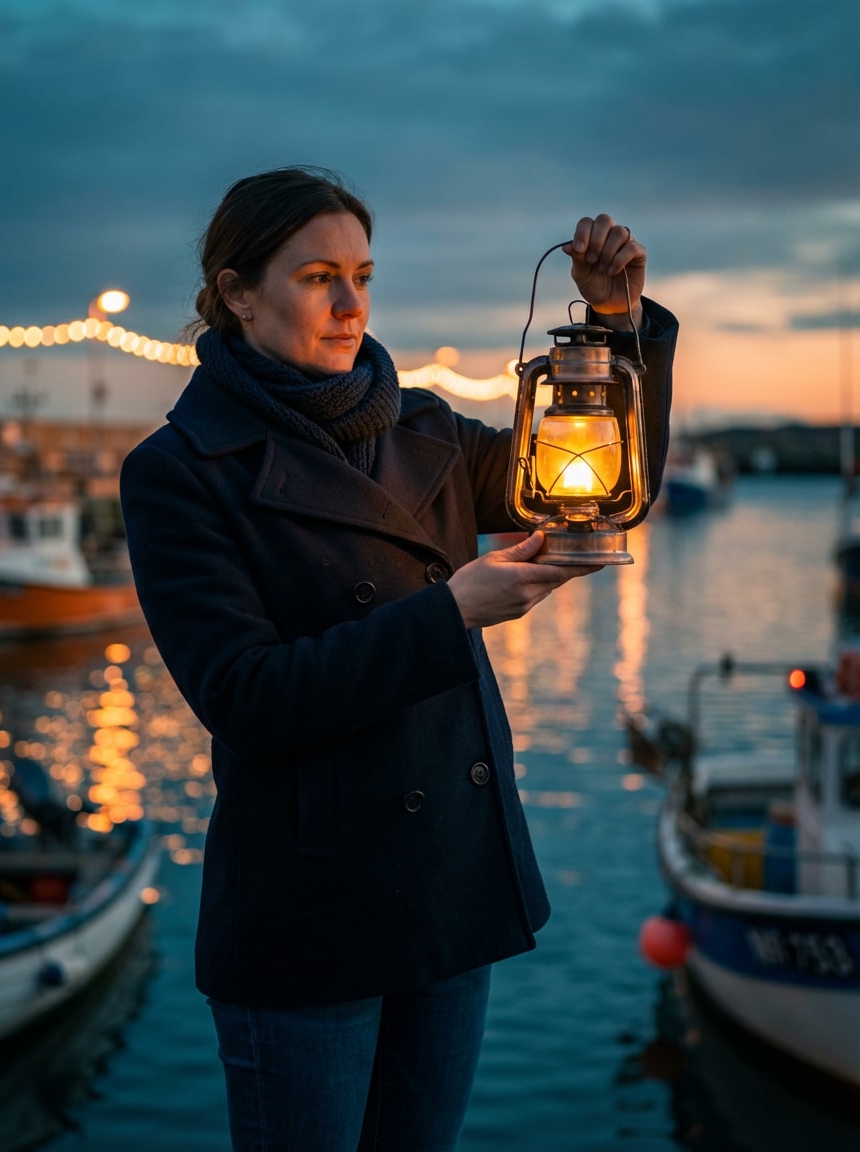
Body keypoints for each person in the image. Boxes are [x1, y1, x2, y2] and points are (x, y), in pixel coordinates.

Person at [120, 167, 676, 1152]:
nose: (349, 305)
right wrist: (450, 613)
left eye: (363, 275)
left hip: (446, 892)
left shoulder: (423, 430)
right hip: (307, 919)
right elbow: (246, 697)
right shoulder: (178, 472)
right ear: (236, 290)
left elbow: (603, 487)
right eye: (316, 276)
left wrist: (612, 321)